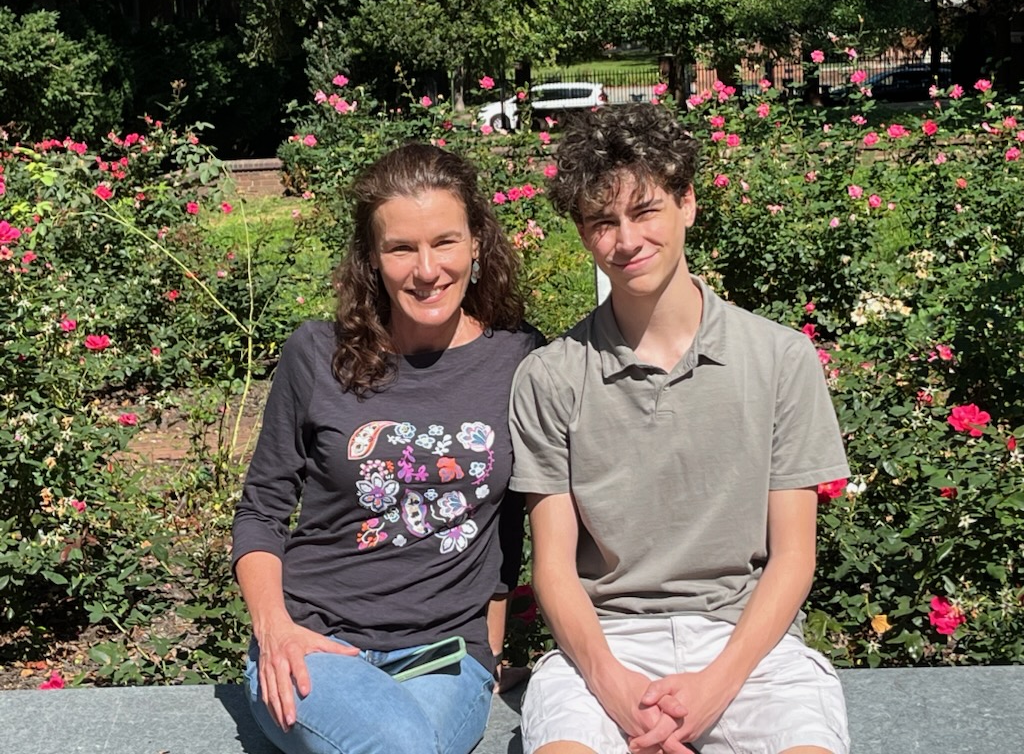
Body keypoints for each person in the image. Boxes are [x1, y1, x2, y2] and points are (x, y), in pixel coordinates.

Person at [509, 104, 851, 754]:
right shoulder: (550, 377)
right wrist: (614, 688)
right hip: (604, 646)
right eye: (602, 222)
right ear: (583, 233)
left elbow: (794, 556)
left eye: (645, 211)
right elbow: (553, 566)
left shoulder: (779, 359)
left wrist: (715, 687)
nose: (626, 240)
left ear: (687, 203)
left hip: (748, 646)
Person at [232, 143, 543, 754]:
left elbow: (513, 525)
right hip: (312, 643)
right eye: (401, 248)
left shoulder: (520, 359)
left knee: (401, 743)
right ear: (373, 260)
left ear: (477, 241)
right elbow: (261, 512)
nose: (426, 269)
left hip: (447, 659)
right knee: (399, 743)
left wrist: (494, 650)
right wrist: (275, 632)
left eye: (445, 241)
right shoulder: (316, 355)